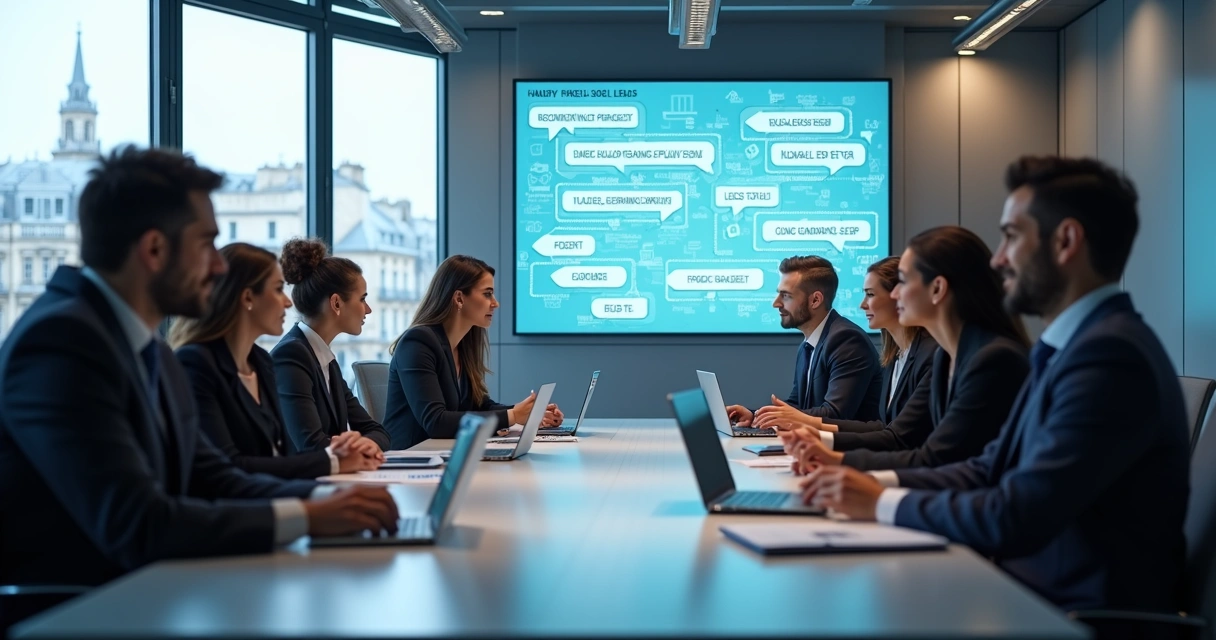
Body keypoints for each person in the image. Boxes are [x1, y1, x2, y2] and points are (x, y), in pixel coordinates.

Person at [799, 156, 1189, 614]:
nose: (999, 259)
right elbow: (987, 468)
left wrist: (882, 502)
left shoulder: (1109, 357)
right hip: (1031, 589)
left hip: (1073, 613)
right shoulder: (1073, 347)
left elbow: (1018, 514)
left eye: (1011, 236)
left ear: (1066, 241)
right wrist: (862, 482)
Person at [0, 146, 397, 588]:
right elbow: (138, 523)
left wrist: (334, 497)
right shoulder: (61, 342)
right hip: (85, 607)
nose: (218, 265)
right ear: (154, 249)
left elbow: (214, 478)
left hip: (159, 587)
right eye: (207, 244)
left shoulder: (147, 348)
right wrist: (307, 514)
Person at [784, 227, 1029, 470]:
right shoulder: (939, 356)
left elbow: (926, 451)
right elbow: (894, 431)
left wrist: (835, 455)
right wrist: (821, 437)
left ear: (937, 289)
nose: (896, 294)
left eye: (902, 281)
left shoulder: (984, 358)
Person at [170, 243, 383, 479]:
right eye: (278, 289)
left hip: (275, 491)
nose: (288, 302)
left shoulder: (261, 361)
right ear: (248, 297)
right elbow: (229, 468)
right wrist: (334, 463)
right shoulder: (196, 363)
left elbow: (281, 457)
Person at [383, 255, 562, 450]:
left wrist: (528, 413)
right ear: (459, 298)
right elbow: (436, 421)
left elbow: (480, 406)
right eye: (487, 294)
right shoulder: (417, 342)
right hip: (412, 458)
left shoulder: (462, 345)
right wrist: (512, 416)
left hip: (444, 453)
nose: (495, 303)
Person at [774, 256, 938, 438]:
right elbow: (885, 427)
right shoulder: (894, 356)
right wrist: (758, 416)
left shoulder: (846, 339)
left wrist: (816, 432)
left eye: (870, 294)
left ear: (899, 297)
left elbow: (894, 434)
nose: (862, 305)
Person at [725, 255, 882, 425]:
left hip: (845, 442)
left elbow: (834, 415)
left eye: (786, 296)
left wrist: (771, 417)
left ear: (815, 300)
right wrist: (754, 416)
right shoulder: (808, 345)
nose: (776, 303)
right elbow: (797, 406)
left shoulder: (847, 340)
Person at [272, 238, 391, 453]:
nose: (368, 309)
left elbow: (377, 431)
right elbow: (312, 445)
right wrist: (358, 448)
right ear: (336, 303)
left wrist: (360, 445)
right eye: (362, 299)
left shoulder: (325, 359)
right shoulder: (291, 355)